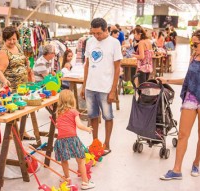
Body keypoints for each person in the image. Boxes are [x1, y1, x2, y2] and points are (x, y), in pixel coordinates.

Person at [159, 29, 200, 180]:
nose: (193, 46)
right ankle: (176, 169)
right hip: (191, 97)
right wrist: (167, 81)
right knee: (183, 135)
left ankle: (196, 163)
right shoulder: (193, 57)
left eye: (195, 44)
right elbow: (187, 80)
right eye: (192, 43)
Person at [81, 18, 123, 155]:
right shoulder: (90, 42)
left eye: (99, 33)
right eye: (94, 33)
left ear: (106, 30)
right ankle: (95, 142)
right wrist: (84, 85)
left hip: (105, 87)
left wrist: (113, 90)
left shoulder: (114, 43)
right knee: (92, 116)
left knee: (108, 116)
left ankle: (107, 143)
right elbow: (87, 64)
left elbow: (117, 68)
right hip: (90, 86)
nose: (96, 36)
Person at [0, 26, 34, 140]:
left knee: (23, 108)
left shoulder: (17, 46)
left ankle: (22, 131)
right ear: (5, 39)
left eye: (14, 39)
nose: (12, 42)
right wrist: (4, 81)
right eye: (10, 40)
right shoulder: (3, 52)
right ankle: (13, 133)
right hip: (11, 86)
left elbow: (24, 60)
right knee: (13, 109)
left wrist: (28, 69)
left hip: (23, 85)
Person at [53, 90, 95, 190]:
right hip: (72, 139)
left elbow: (58, 126)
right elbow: (79, 125)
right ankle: (85, 182)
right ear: (72, 100)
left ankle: (67, 180)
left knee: (64, 160)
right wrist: (87, 129)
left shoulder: (58, 112)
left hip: (61, 140)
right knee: (80, 159)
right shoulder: (74, 112)